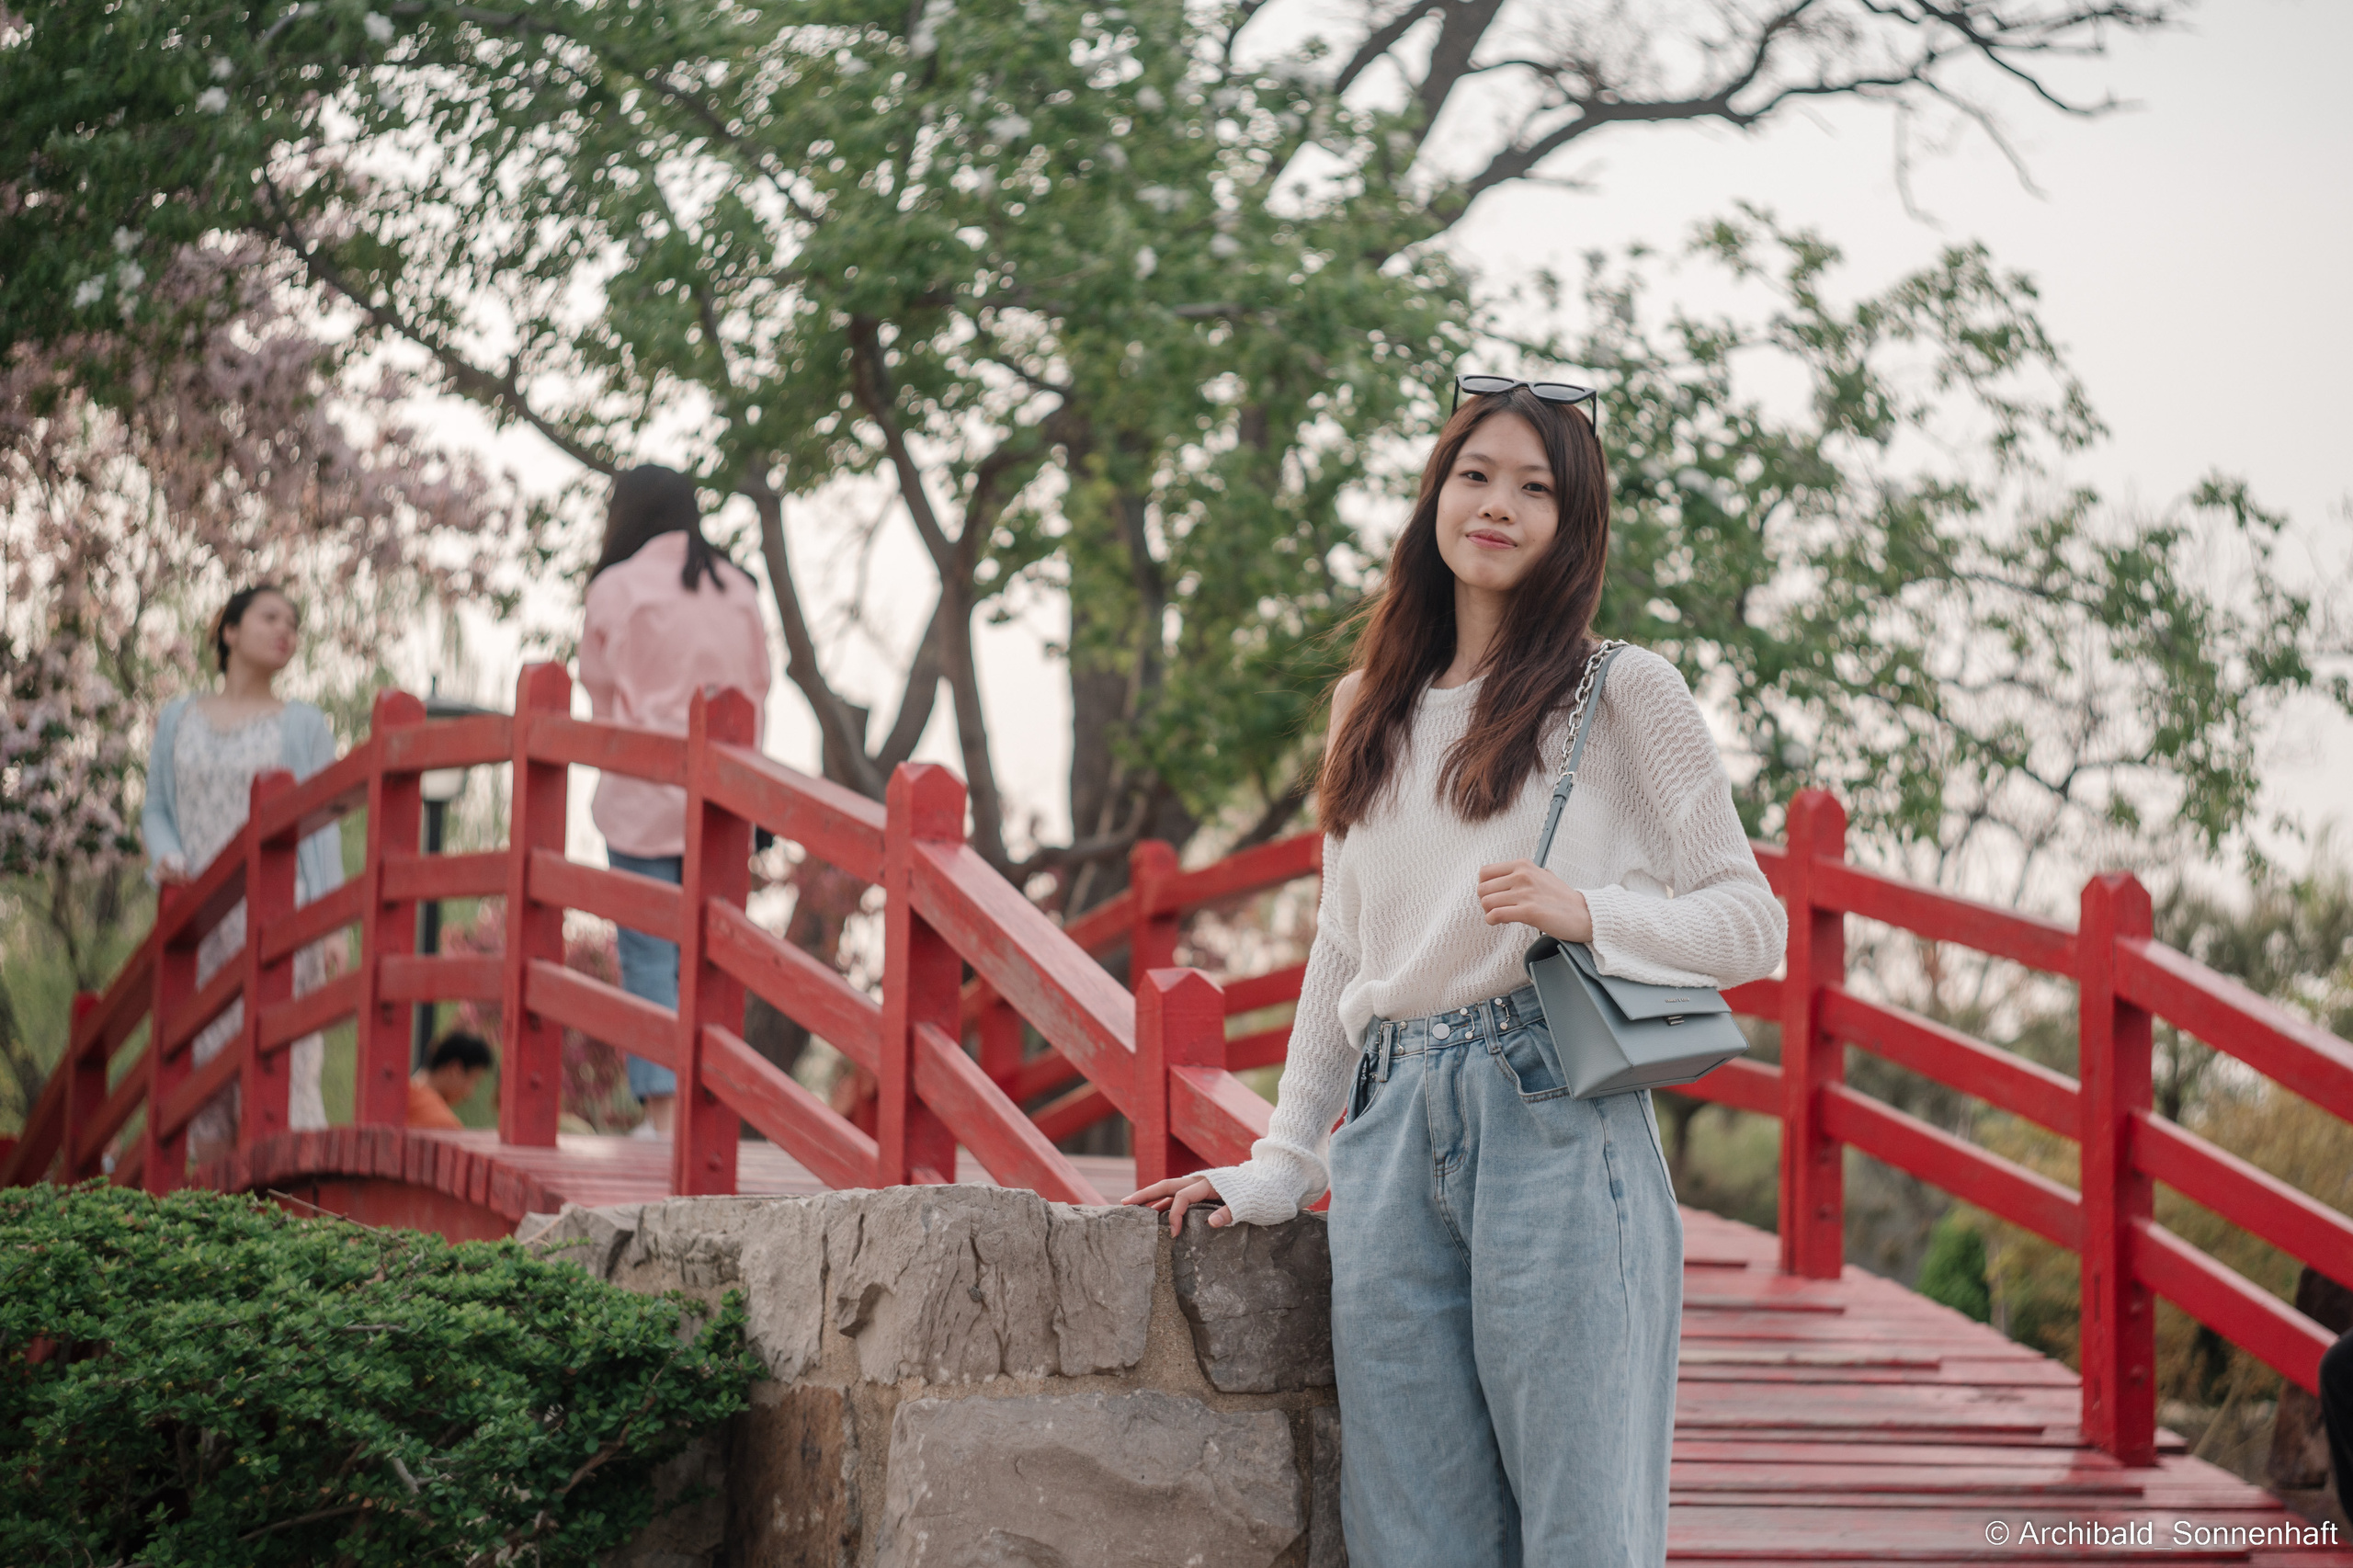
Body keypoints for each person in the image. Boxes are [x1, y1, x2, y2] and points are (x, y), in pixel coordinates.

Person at [1123, 377, 1786, 1566]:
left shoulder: (1623, 692)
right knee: (1411, 1536)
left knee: (1581, 1532)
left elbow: (1752, 923)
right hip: (1386, 1135)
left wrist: (1586, 914)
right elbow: (1343, 941)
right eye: (1476, 474)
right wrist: (1286, 1159)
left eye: (1537, 488)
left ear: (1573, 527)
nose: (1498, 504)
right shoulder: (1362, 707)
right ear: (1436, 492)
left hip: (1554, 1116)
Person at [578, 464, 773, 1139]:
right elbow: (757, 687)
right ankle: (706, 1113)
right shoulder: (737, 585)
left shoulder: (617, 585)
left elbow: (600, 693)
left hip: (640, 794)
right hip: (722, 799)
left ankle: (664, 1117)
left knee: (650, 955)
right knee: (712, 958)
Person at [143, 585, 346, 1166]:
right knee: (202, 1077)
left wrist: (332, 924)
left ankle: (289, 1230)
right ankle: (217, 1241)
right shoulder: (178, 716)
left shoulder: (303, 724)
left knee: (281, 1070)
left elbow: (321, 824)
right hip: (200, 927)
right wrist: (165, 855)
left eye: (294, 622)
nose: (286, 629)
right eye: (270, 616)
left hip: (279, 921)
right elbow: (156, 807)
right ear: (228, 631)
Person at [407, 1031, 496, 1130]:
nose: (470, 1093)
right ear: (455, 1070)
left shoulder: (399, 1096)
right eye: (474, 1080)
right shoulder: (443, 1124)